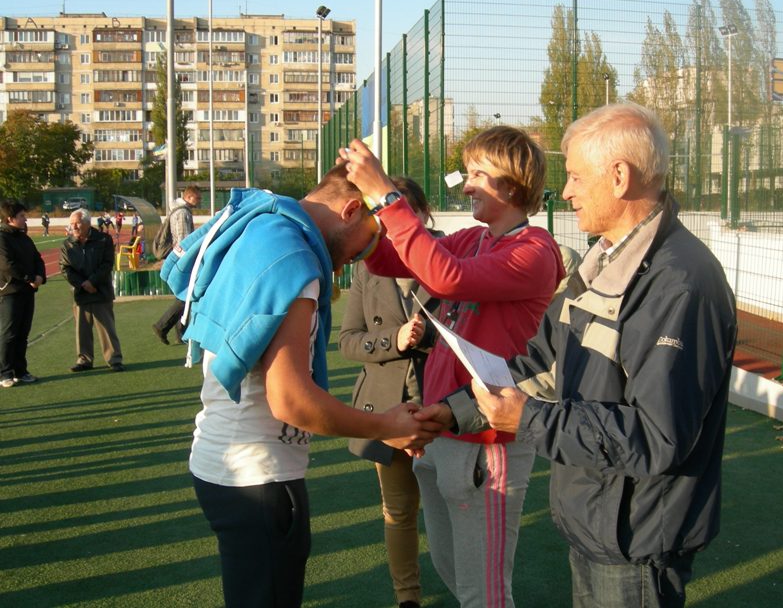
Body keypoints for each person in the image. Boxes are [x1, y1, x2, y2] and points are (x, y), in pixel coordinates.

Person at [423, 103, 737, 608]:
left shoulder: (680, 283)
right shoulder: (602, 260)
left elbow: (659, 437)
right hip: (594, 519)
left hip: (636, 536)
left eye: (574, 176)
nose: (565, 192)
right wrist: (450, 411)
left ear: (619, 177)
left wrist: (528, 419)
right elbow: (539, 362)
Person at [160, 164, 446, 608]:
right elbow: (290, 399)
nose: (367, 256)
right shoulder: (294, 256)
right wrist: (384, 425)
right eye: (373, 239)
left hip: (227, 462)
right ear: (351, 209)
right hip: (259, 476)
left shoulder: (263, 226)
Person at [342, 126, 564, 608]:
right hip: (444, 431)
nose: (466, 186)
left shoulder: (534, 249)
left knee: (483, 593)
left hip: (488, 440)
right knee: (452, 572)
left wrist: (388, 195)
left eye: (478, 174)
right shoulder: (474, 239)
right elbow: (389, 259)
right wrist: (355, 216)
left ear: (511, 185)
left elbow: (447, 277)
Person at [338, 177, 442, 608]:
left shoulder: (449, 255)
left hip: (443, 405)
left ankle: (469, 586)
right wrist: (393, 340)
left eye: (404, 212)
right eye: (382, 214)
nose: (393, 224)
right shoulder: (368, 267)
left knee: (454, 506)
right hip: (388, 408)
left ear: (422, 214)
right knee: (399, 511)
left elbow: (475, 331)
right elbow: (347, 341)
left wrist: (427, 338)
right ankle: (408, 597)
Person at [60, 208, 125, 373]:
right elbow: (65, 268)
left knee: (107, 328)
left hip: (100, 290)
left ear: (88, 223)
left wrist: (92, 281)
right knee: (82, 329)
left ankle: (114, 359)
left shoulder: (103, 239)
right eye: (72, 224)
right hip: (80, 292)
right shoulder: (67, 244)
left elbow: (107, 264)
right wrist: (82, 284)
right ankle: (84, 359)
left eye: (77, 223)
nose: (74, 227)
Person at [0, 201, 46, 387]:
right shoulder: (2, 238)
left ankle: (21, 371)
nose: (25, 219)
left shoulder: (24, 238)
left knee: (22, 333)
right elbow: (7, 265)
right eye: (21, 216)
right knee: (9, 333)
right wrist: (29, 278)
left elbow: (37, 259)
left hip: (27, 291)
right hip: (10, 292)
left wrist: (40, 276)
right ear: (10, 219)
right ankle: (4, 373)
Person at [152, 185, 201, 345]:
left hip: (179, 258)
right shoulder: (182, 213)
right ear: (189, 197)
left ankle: (179, 332)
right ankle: (163, 326)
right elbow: (184, 240)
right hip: (183, 259)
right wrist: (189, 259)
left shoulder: (179, 211)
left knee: (185, 295)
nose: (200, 200)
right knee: (186, 295)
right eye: (197, 197)